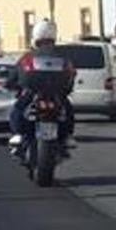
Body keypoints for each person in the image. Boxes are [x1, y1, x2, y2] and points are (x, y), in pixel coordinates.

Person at [6, 20, 76, 161]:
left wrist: (10, 84)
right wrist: (66, 90)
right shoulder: (61, 56)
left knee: (17, 109)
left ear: (35, 38)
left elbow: (14, 75)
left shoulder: (28, 56)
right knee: (68, 109)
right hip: (56, 95)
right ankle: (67, 137)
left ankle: (18, 134)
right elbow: (71, 74)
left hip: (33, 94)